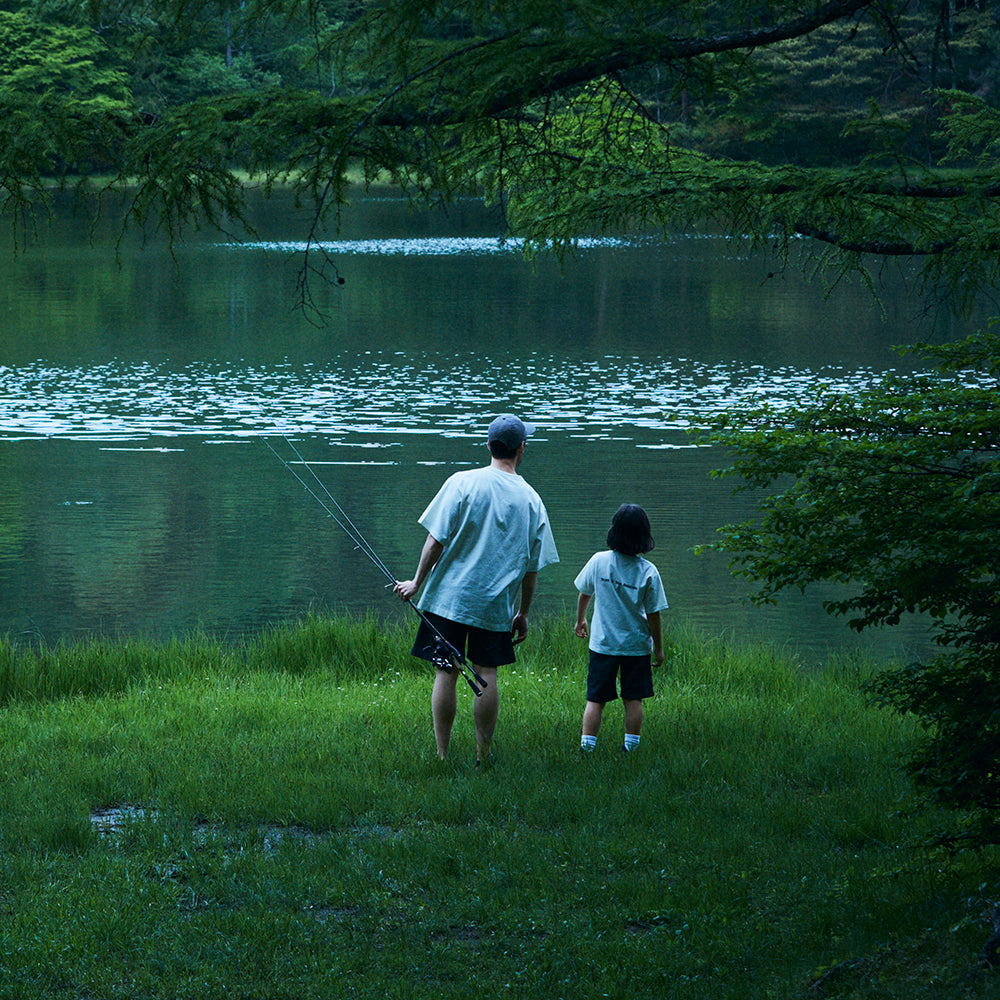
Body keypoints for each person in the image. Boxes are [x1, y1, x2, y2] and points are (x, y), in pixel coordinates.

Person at [394, 414, 559, 764]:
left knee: (447, 670)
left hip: (449, 599)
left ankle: (442, 754)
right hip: (495, 605)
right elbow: (532, 568)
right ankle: (483, 754)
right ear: (521, 448)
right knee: (487, 673)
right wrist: (523, 613)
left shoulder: (462, 482)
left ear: (488, 445)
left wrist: (416, 582)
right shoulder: (532, 500)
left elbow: (435, 541)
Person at [574, 504, 668, 754]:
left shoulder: (599, 561)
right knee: (633, 699)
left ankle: (587, 748)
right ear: (644, 536)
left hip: (603, 644)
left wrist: (580, 619)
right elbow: (654, 614)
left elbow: (585, 592)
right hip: (636, 647)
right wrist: (658, 648)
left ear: (614, 531)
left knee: (596, 699)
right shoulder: (648, 571)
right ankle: (631, 749)